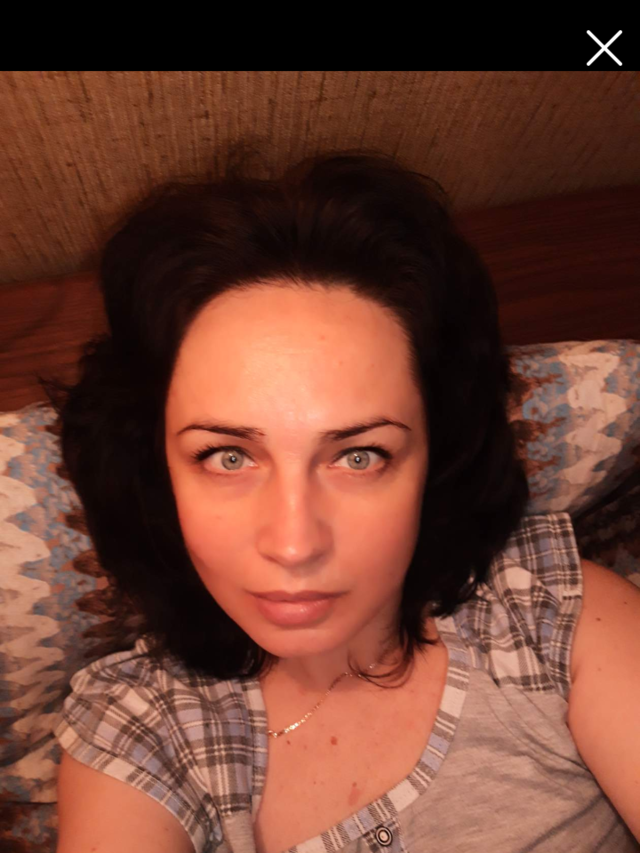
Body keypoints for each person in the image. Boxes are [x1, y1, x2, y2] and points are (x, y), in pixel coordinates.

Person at [51, 149, 640, 853]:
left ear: (436, 456)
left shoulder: (550, 616)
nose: (294, 543)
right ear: (156, 469)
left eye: (359, 456)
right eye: (228, 456)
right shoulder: (139, 732)